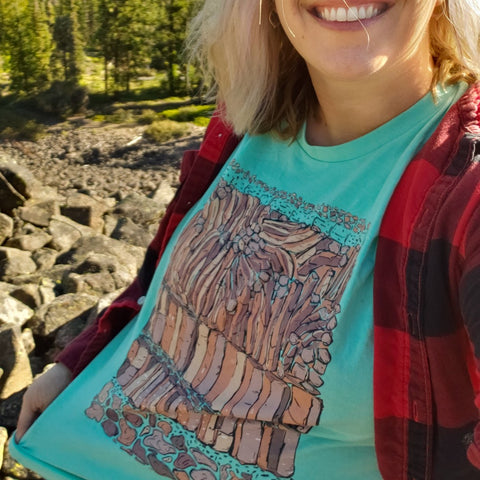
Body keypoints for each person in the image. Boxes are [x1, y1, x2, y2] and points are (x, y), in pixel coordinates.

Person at [12, 0, 480, 479]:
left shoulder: (467, 184)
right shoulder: (243, 121)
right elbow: (156, 280)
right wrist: (75, 361)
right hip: (59, 450)